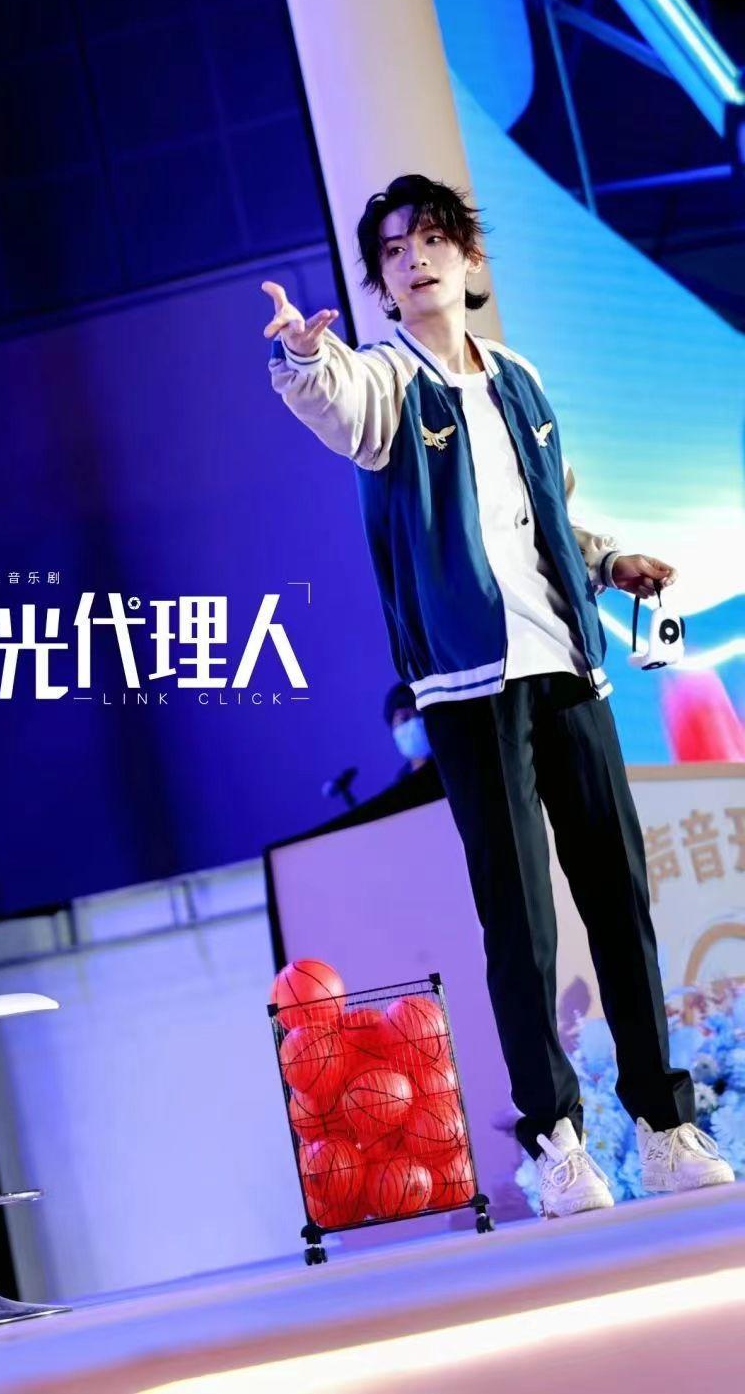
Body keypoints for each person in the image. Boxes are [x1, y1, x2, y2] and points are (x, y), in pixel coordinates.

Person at [262, 173, 735, 1217]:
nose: (415, 258)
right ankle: (555, 1142)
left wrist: (607, 563)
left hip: (565, 662)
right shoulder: (385, 381)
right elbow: (334, 403)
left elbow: (551, 515)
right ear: (383, 280)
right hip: (467, 682)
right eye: (393, 249)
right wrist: (300, 356)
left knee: (619, 894)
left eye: (432, 238)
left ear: (468, 256)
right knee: (519, 919)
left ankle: (663, 1128)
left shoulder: (518, 378)